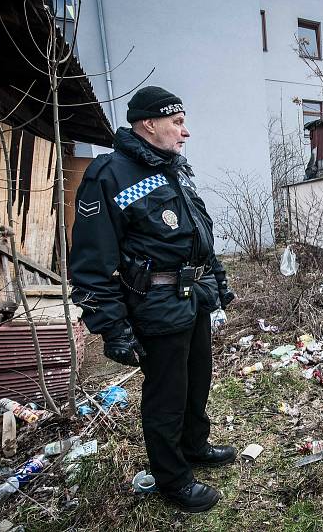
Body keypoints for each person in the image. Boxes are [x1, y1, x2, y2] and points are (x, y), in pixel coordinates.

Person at [70, 86, 236, 513]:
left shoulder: (172, 170)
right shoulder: (110, 174)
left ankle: (194, 447)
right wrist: (113, 328)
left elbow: (197, 236)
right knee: (166, 396)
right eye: (177, 123)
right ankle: (173, 479)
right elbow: (92, 263)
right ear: (148, 124)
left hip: (193, 298)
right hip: (155, 305)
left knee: (198, 382)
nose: (185, 132)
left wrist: (216, 282)